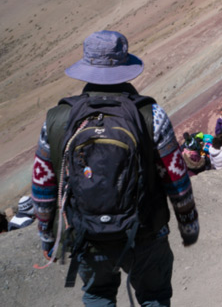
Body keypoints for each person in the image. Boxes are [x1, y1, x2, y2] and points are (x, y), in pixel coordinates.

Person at [30, 30, 198, 305]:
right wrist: (188, 225)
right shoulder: (151, 115)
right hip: (145, 232)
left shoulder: (57, 120)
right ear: (125, 66)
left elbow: (43, 186)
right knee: (154, 297)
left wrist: (47, 237)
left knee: (98, 294)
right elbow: (176, 179)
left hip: (86, 233)